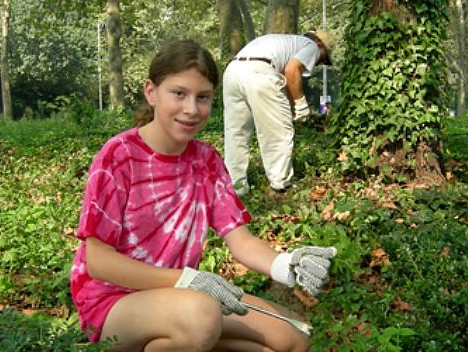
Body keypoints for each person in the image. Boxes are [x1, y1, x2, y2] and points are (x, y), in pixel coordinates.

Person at [69, 39, 337, 351]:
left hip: (182, 300)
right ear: (150, 92)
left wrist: (287, 265)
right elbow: (99, 263)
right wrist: (185, 280)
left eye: (203, 97)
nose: (191, 109)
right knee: (201, 317)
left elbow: (242, 241)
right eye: (179, 93)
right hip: (113, 304)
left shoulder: (206, 160)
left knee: (293, 338)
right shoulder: (119, 155)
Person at [223, 30, 334, 196]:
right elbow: (291, 71)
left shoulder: (285, 42)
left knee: (236, 132)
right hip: (260, 73)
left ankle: (235, 186)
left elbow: (285, 79)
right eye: (323, 59)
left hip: (233, 72)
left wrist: (290, 108)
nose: (318, 63)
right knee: (278, 132)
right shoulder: (312, 46)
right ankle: (280, 186)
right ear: (320, 45)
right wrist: (301, 104)